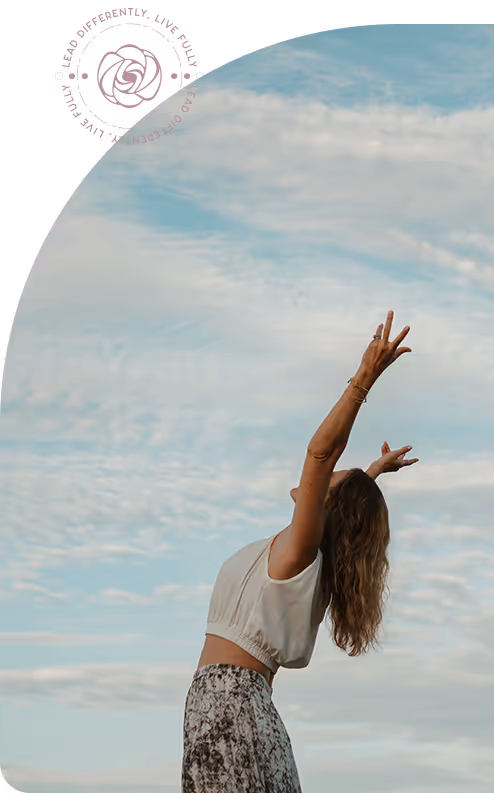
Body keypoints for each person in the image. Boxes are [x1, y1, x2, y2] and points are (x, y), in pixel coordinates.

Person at [181, 309, 419, 792]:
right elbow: (345, 515)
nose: (322, 477)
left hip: (231, 710)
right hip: (235, 711)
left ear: (328, 503)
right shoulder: (304, 554)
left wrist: (363, 379)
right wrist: (370, 474)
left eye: (334, 478)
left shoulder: (302, 554)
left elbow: (318, 453)